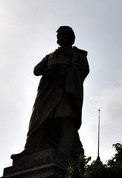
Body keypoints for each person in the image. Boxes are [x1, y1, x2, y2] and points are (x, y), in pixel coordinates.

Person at [12, 26, 88, 160]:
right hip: (47, 89)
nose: (59, 38)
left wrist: (66, 72)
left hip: (67, 88)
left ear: (71, 38)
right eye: (58, 36)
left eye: (63, 35)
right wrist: (45, 70)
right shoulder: (50, 56)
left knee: (66, 117)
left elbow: (84, 70)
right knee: (38, 117)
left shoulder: (79, 55)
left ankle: (64, 151)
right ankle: (29, 149)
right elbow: (36, 69)